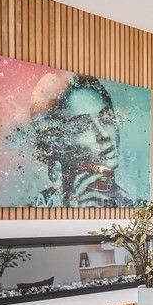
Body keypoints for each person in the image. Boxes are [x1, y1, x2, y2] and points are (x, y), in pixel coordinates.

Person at [27, 74, 133, 207]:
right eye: (83, 127)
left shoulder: (134, 207)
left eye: (106, 118)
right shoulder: (40, 206)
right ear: (57, 143)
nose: (104, 135)